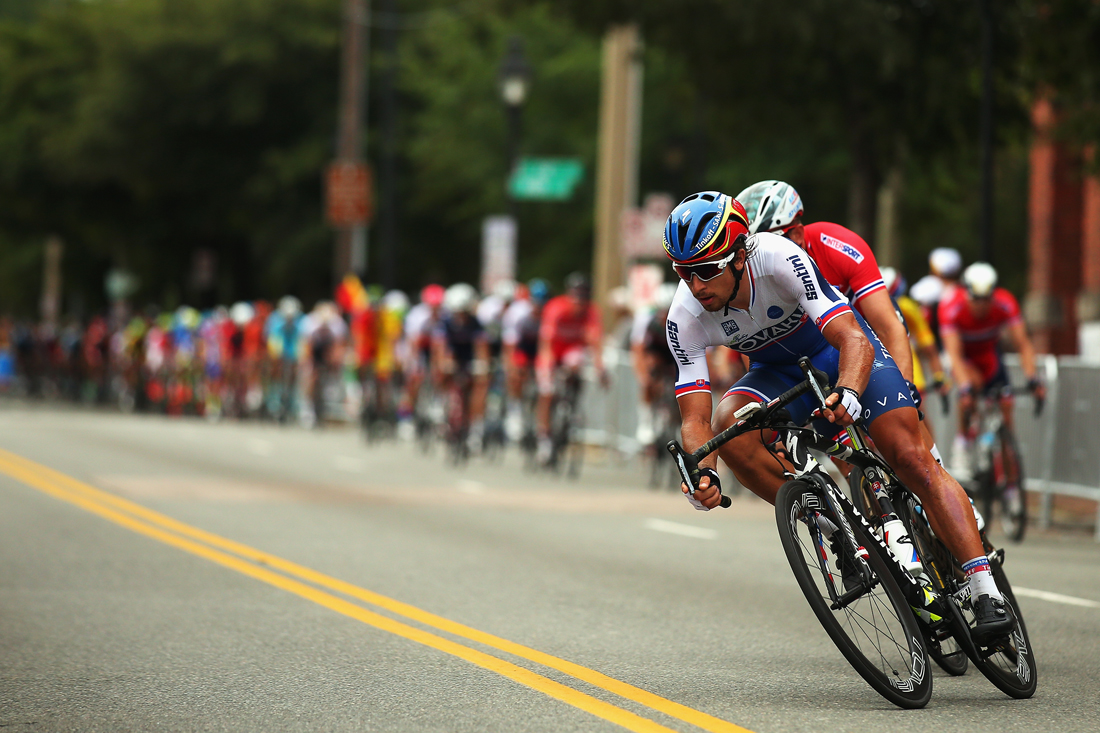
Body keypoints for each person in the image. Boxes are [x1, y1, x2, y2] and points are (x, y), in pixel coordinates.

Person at [663, 190, 1012, 641]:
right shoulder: (683, 316)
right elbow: (696, 420)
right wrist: (703, 473)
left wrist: (848, 391)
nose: (695, 285)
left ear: (738, 255)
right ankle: (839, 533)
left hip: (837, 351)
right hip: (776, 373)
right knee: (729, 425)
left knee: (910, 456)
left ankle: (985, 590)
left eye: (706, 270)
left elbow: (853, 338)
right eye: (683, 273)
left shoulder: (779, 258)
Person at [735, 180, 943, 459]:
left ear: (796, 233)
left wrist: (906, 387)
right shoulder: (754, 276)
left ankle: (938, 469)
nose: (757, 257)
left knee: (910, 442)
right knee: (846, 456)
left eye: (768, 243)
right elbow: (757, 352)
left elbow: (887, 326)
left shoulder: (836, 245)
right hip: (818, 354)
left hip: (869, 336)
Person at [939, 262, 1045, 480]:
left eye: (986, 299)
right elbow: (955, 355)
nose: (982, 305)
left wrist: (1033, 378)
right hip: (965, 359)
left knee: (1006, 410)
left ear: (993, 295)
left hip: (989, 357)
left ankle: (1010, 487)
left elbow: (1023, 344)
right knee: (972, 388)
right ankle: (964, 443)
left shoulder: (1005, 303)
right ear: (966, 294)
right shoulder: (951, 306)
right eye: (976, 299)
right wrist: (965, 388)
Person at [535, 272, 606, 465]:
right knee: (547, 392)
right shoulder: (556, 308)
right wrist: (547, 370)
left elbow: (595, 344)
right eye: (576, 297)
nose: (579, 303)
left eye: (583, 297)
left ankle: (571, 402)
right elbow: (546, 343)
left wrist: (601, 369)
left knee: (577, 363)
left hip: (571, 352)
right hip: (552, 351)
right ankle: (544, 438)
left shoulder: (591, 312)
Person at [434, 283, 491, 452]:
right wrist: (443, 363)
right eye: (457, 312)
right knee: (443, 371)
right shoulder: (445, 324)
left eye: (464, 312)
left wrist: (484, 365)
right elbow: (440, 347)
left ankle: (475, 429)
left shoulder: (476, 323)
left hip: (469, 356)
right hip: (452, 355)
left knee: (480, 384)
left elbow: (482, 346)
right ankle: (441, 403)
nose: (461, 316)